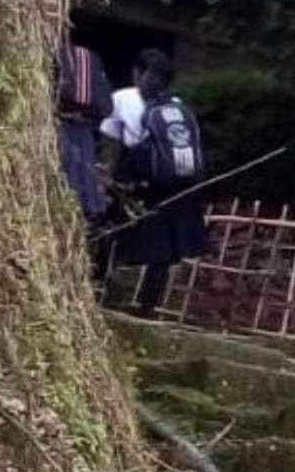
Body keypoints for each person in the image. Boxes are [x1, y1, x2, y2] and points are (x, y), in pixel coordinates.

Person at [100, 48, 209, 318]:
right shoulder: (178, 106)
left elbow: (112, 142)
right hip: (176, 185)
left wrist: (108, 179)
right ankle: (147, 308)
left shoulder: (123, 98)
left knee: (112, 232)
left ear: (137, 73)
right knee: (165, 249)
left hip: (139, 181)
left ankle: (98, 289)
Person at [55, 35, 112, 225]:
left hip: (63, 123)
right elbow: (106, 107)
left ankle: (72, 209)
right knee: (83, 170)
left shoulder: (57, 55)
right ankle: (87, 210)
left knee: (70, 169)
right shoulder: (92, 60)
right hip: (85, 127)